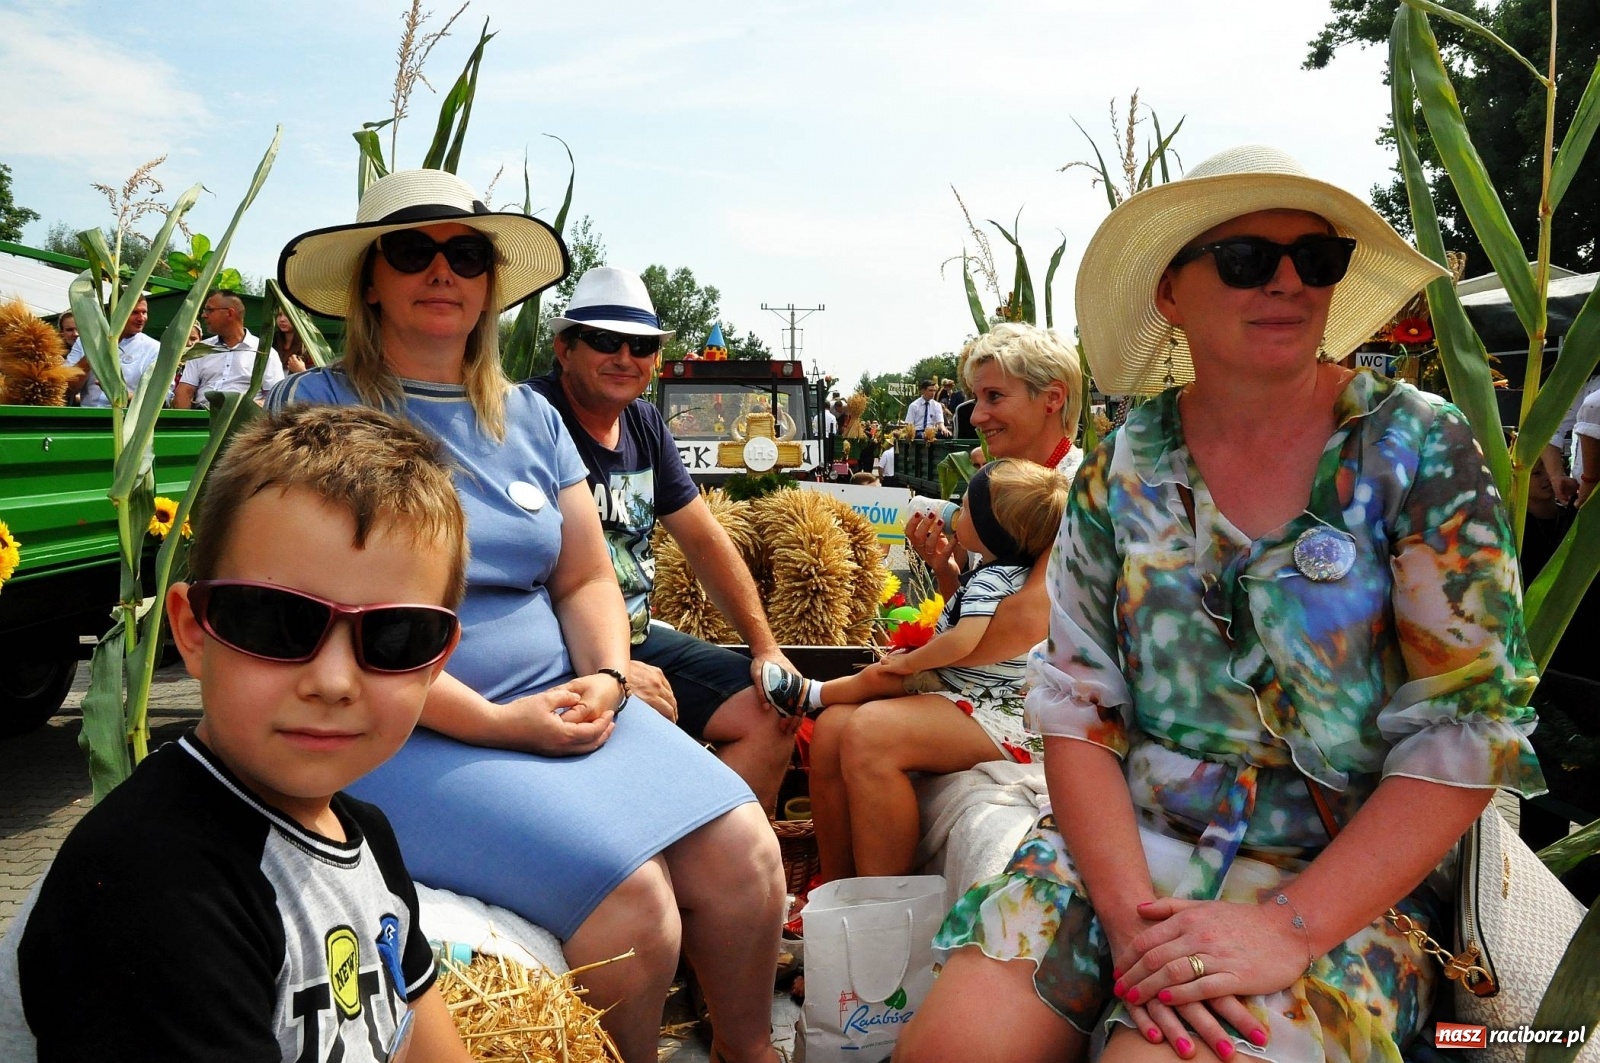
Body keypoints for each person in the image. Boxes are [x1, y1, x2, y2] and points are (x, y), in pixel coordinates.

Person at [897, 145, 1546, 1063]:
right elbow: (1079, 711)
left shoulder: (1415, 450)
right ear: (1172, 294)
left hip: (1339, 875)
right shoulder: (1117, 471)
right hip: (1130, 843)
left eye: (1316, 261)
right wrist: (1128, 921)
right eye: (1247, 260)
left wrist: (1288, 926)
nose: (1288, 282)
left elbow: (1468, 725)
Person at [267, 170, 784, 1063]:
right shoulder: (319, 410)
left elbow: (584, 577)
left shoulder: (533, 419)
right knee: (635, 910)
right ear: (370, 280)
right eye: (410, 250)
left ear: (489, 284)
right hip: (400, 726)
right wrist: (502, 722)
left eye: (465, 253)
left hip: (555, 701)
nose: (442, 271)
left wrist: (609, 677)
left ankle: (749, 1051)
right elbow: (330, 612)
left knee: (748, 855)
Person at [1, 404, 473, 1062]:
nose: (333, 680)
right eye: (276, 621)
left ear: (437, 659)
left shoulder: (368, 838)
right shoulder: (155, 888)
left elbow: (425, 1035)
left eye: (397, 635)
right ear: (194, 632)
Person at [530, 267, 799, 811]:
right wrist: (612, 670)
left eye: (642, 345)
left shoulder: (647, 425)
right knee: (629, 734)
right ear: (564, 348)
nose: (625, 357)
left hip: (633, 633)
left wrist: (765, 647)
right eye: (606, 341)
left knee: (769, 709)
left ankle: (727, 878)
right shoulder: (530, 419)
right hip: (551, 649)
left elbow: (704, 541)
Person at [766, 459, 1068, 880]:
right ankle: (838, 887)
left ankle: (885, 900)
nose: (952, 514)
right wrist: (947, 574)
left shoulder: (1024, 563)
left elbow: (979, 639)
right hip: (974, 689)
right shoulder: (1005, 565)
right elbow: (971, 621)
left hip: (997, 707)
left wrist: (909, 661)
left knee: (868, 728)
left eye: (963, 509)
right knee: (833, 728)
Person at [901, 323, 1084, 685]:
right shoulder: (1007, 481)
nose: (975, 416)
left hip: (1041, 699)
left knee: (860, 731)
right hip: (994, 683)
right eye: (977, 398)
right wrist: (947, 571)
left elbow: (1029, 620)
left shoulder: (1079, 489)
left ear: (1052, 398)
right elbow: (979, 616)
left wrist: (906, 668)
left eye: (994, 397)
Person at [174, 290, 285, 409]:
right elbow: (184, 392)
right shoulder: (200, 350)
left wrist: (250, 408)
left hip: (244, 422)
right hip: (203, 420)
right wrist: (185, 423)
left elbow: (275, 397)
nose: (204, 315)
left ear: (230, 313)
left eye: (209, 310)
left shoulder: (264, 353)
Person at [63, 294, 164, 407]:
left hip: (127, 421)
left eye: (144, 312)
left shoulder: (155, 348)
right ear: (115, 311)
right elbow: (65, 389)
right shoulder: (85, 341)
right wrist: (93, 355)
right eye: (134, 312)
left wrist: (122, 393)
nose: (141, 318)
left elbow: (162, 399)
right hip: (87, 418)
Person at [271, 308, 313, 374]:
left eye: (288, 315)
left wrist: (302, 371)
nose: (282, 319)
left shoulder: (310, 348)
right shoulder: (272, 342)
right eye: (279, 315)